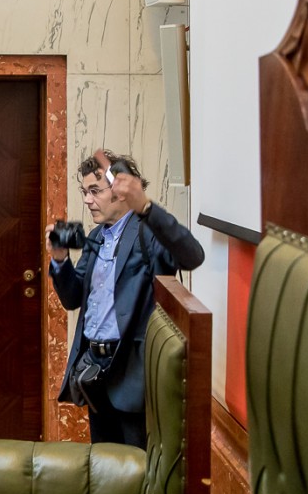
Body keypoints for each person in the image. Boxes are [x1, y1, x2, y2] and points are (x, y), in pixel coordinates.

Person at [46, 150, 205, 448]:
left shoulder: (147, 234)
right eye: (85, 192)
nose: (87, 200)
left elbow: (193, 255)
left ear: (120, 192)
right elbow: (72, 298)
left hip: (132, 375)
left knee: (134, 467)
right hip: (95, 373)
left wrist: (146, 206)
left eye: (95, 191)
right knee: (103, 466)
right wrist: (60, 260)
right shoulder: (97, 237)